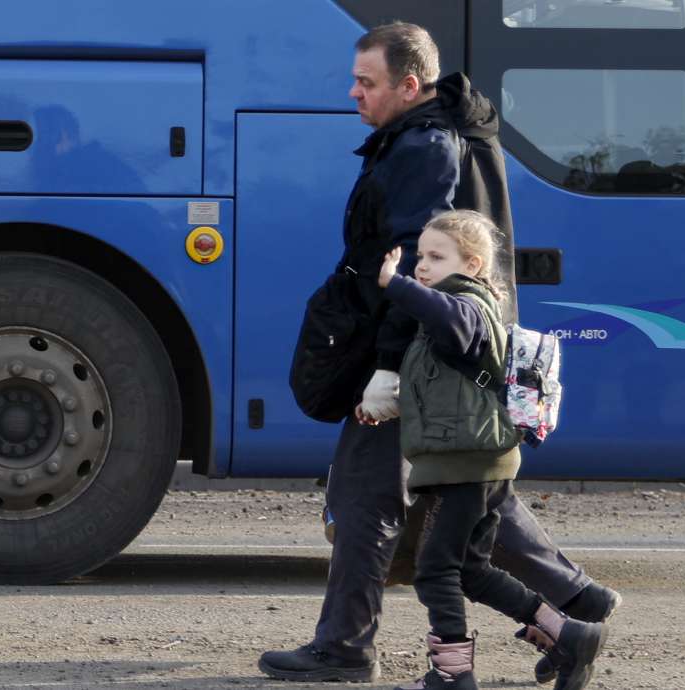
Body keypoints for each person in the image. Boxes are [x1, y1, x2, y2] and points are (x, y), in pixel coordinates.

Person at [258, 22, 619, 685]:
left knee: (369, 495)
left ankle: (345, 648)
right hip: (449, 352)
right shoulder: (439, 136)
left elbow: (414, 267)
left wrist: (388, 370)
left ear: (409, 84)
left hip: (427, 355)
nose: (353, 94)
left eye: (366, 82)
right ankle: (577, 606)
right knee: (471, 493)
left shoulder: (425, 149)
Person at [374, 210, 607, 690]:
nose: (422, 265)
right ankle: (568, 635)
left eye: (437, 257)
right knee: (472, 571)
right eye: (421, 256)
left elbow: (451, 321)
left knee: (434, 569)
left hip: (466, 465)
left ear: (474, 265)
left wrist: (396, 286)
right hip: (468, 460)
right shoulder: (449, 308)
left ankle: (453, 674)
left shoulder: (467, 305)